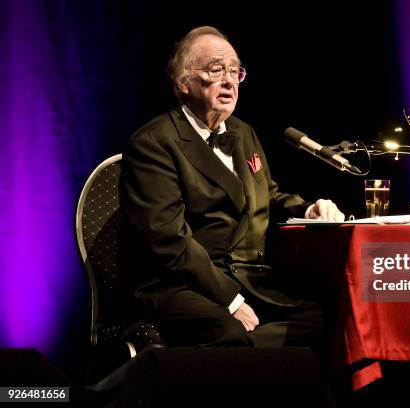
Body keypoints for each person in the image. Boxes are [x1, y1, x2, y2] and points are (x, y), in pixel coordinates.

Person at [119, 26, 344, 349]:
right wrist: (231, 301)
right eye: (215, 69)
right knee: (227, 332)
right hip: (179, 286)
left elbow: (267, 194)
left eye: (235, 71)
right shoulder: (154, 142)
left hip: (249, 279)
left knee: (327, 317)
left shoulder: (243, 132)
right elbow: (168, 241)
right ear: (183, 82)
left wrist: (308, 208)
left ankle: (246, 359)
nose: (228, 80)